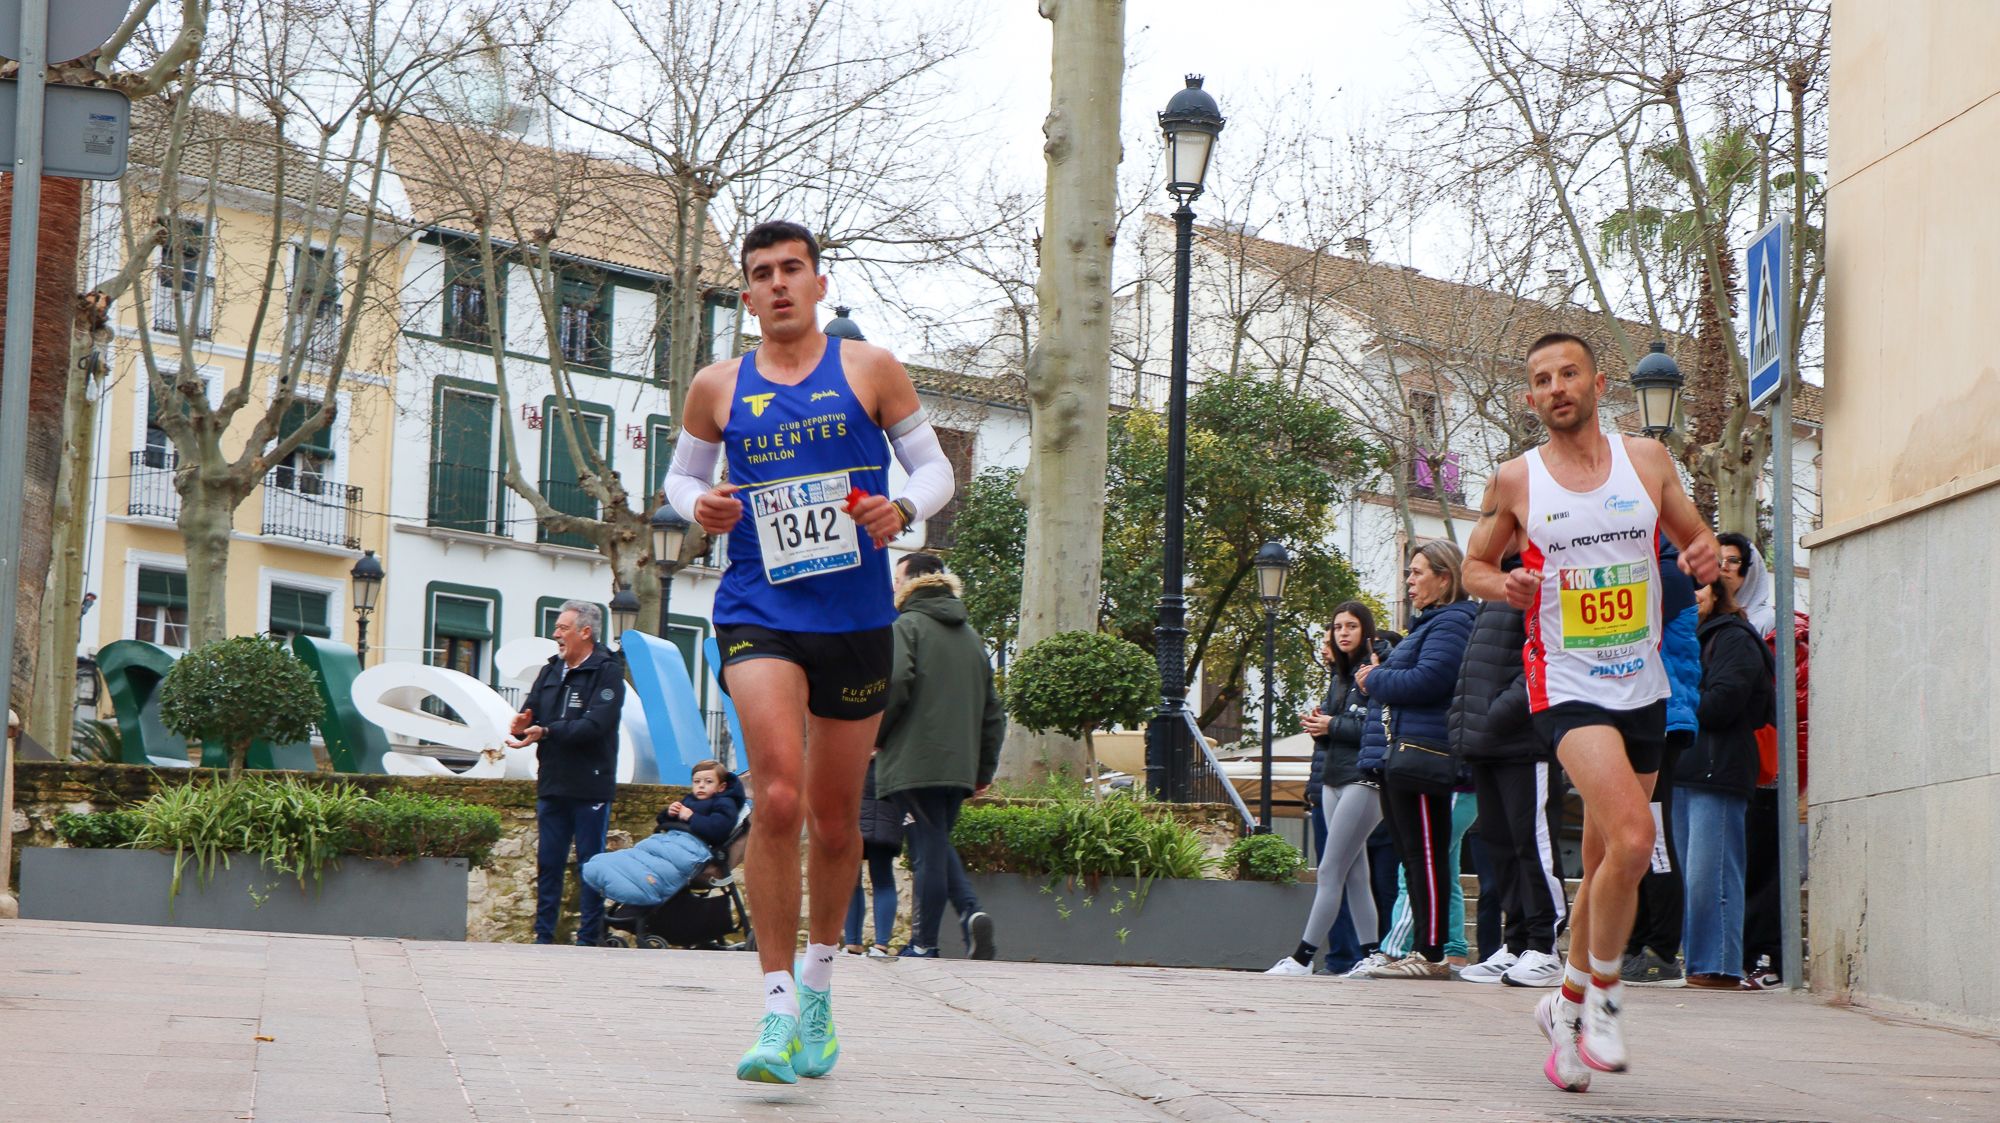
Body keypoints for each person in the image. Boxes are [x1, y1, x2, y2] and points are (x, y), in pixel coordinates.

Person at [661, 220, 958, 1084]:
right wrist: (698, 507)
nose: (780, 283)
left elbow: (934, 469)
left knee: (835, 822)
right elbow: (683, 477)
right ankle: (777, 1003)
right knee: (779, 793)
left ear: (819, 284)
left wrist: (900, 511)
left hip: (858, 615)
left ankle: (822, 988)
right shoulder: (718, 385)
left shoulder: (871, 369)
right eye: (763, 273)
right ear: (747, 296)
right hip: (759, 605)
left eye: (794, 269)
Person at [1463, 332, 1718, 1093]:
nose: (1556, 387)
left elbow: (1694, 536)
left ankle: (1564, 1012)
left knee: (1611, 860)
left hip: (1640, 683)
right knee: (1636, 838)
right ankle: (1605, 995)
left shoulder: (1648, 462)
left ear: (1597, 382)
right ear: (1531, 398)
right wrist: (1497, 586)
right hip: (1566, 685)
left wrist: (1702, 552)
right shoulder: (1515, 480)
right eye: (1541, 379)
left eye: (1568, 372)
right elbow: (1475, 563)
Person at [1355, 541, 1478, 979]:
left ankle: (1430, 953)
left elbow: (1430, 680)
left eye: (1418, 572)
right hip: (1402, 756)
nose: (1409, 581)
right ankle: (1424, 949)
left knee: (1426, 854)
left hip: (1426, 756)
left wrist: (1376, 677)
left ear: (1445, 578)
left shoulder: (1452, 623)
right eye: (1409, 572)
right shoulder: (1429, 624)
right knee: (1415, 855)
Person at [874, 552, 1005, 960]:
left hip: (916, 762)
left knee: (927, 851)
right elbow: (993, 712)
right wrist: (982, 769)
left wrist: (874, 735)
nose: (893, 587)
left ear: (914, 582)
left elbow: (895, 682)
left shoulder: (906, 626)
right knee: (936, 843)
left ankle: (924, 943)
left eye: (898, 580)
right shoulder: (972, 638)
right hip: (959, 766)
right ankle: (970, 912)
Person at [1451, 555, 1568, 989]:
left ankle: (1544, 946)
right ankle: (1518, 943)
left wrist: (1495, 715)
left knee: (1532, 846)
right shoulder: (1493, 588)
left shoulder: (1540, 578)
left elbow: (1546, 658)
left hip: (1522, 742)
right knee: (1501, 845)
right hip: (1489, 744)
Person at [1266, 602, 1390, 978]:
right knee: (1352, 873)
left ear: (1365, 630)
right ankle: (1370, 954)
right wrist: (1323, 726)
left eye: (1351, 626)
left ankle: (1303, 957)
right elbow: (1338, 729)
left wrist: (1330, 725)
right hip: (1335, 779)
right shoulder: (1338, 676)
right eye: (1337, 627)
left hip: (1363, 780)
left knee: (1330, 870)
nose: (1343, 633)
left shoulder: (1375, 671)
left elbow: (1378, 727)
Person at [1674, 577, 1774, 988]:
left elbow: (1726, 700)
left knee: (1711, 875)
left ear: (1716, 592)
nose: (1690, 598)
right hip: (1683, 769)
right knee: (1691, 876)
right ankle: (1700, 963)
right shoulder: (1681, 637)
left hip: (1718, 769)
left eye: (1697, 589)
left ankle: (1719, 966)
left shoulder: (1733, 636)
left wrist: (1674, 699)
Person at [508, 601, 626, 947]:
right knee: (548, 862)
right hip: (552, 780)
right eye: (557, 628)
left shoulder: (608, 671)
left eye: (562, 628)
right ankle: (543, 936)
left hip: (590, 782)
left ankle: (588, 937)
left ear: (585, 632)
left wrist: (546, 732)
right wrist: (521, 726)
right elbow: (532, 714)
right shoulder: (550, 671)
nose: (556, 635)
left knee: (590, 866)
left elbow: (595, 724)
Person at [1622, 537, 1702, 988]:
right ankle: (1636, 945)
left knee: (1655, 834)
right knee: (1636, 831)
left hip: (1662, 717)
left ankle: (1661, 950)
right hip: (1642, 715)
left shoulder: (1668, 575)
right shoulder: (1654, 567)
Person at [581, 760, 746, 908]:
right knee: (636, 855)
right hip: (668, 841)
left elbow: (719, 829)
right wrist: (670, 813)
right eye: (697, 782)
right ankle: (617, 874)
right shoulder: (690, 800)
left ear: (721, 786)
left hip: (692, 848)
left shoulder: (725, 803)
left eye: (708, 782)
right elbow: (662, 821)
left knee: (655, 869)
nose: (701, 786)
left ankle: (641, 887)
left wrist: (692, 817)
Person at [842, 757, 901, 957]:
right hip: (886, 808)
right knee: (882, 878)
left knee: (851, 880)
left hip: (856, 810)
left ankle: (853, 943)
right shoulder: (892, 750)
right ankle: (880, 945)